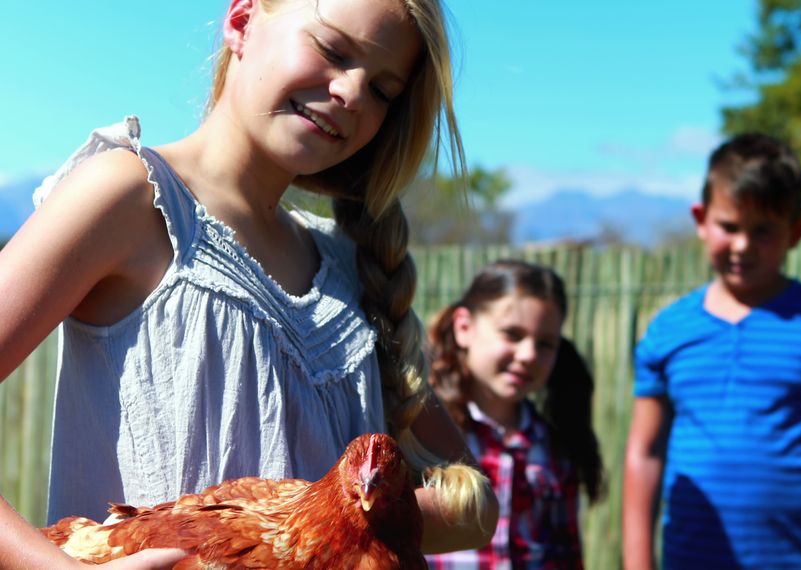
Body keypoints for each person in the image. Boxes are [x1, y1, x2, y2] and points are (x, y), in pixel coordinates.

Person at [0, 0, 498, 567]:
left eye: (383, 90)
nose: (354, 94)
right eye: (334, 50)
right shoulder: (133, 200)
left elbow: (475, 507)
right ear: (241, 21)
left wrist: (343, 523)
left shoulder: (349, 271)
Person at [622, 133, 801, 570]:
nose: (743, 245)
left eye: (763, 230)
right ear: (701, 220)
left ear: (796, 233)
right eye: (729, 227)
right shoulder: (668, 331)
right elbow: (644, 453)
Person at [425, 260, 605, 569]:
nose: (528, 355)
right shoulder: (423, 434)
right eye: (512, 334)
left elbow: (565, 554)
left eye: (545, 344)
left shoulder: (554, 447)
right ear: (464, 327)